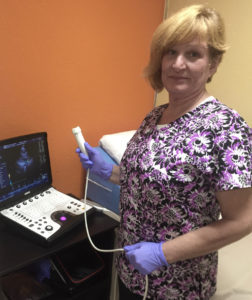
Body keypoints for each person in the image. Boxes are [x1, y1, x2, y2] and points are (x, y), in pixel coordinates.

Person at [76, 4, 252, 299]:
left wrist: (162, 253)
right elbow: (155, 183)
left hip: (178, 286)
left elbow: (243, 220)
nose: (177, 64)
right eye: (170, 52)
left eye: (193, 54)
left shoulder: (227, 128)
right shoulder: (154, 117)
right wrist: (111, 172)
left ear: (213, 63)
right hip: (132, 271)